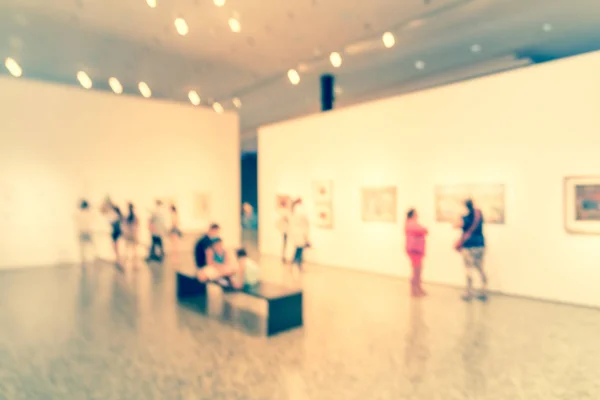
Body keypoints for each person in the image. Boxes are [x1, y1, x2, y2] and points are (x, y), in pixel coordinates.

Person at [454, 199, 488, 302]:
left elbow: (455, 225)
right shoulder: (479, 215)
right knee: (480, 268)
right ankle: (484, 291)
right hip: (480, 245)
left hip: (468, 246)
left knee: (468, 269)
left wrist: (459, 214)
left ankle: (469, 293)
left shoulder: (464, 218)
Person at [405, 208, 428, 297]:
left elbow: (424, 230)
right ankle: (414, 290)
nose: (417, 215)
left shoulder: (412, 223)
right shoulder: (411, 223)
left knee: (418, 270)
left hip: (417, 250)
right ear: (412, 215)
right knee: (416, 270)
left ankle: (418, 288)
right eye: (416, 214)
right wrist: (423, 230)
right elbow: (424, 230)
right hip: (414, 250)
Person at [288, 198, 310, 271]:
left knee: (298, 250)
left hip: (298, 234)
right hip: (300, 234)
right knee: (298, 251)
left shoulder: (294, 214)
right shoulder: (299, 214)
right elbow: (304, 224)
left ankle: (296, 265)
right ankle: (296, 265)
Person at [102, 198, 123, 269]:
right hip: (116, 230)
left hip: (115, 231)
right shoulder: (115, 213)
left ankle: (118, 259)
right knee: (115, 245)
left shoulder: (112, 213)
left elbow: (112, 221)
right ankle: (117, 259)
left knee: (115, 245)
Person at [76, 199, 95, 266]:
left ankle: (83, 261)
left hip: (81, 231)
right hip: (87, 231)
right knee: (90, 246)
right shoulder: (88, 214)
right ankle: (90, 260)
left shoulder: (78, 214)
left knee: (82, 247)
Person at [123, 202, 139, 266]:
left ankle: (127, 263)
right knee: (134, 249)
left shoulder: (127, 216)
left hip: (129, 234)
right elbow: (137, 226)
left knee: (128, 248)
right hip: (133, 233)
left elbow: (125, 226)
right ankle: (135, 263)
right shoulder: (135, 216)